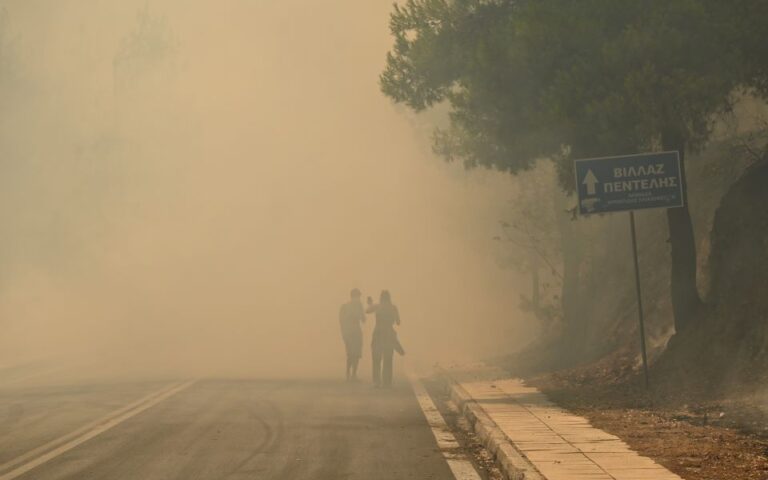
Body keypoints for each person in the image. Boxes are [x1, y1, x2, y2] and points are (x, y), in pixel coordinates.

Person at [366, 290, 401, 388]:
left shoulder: (378, 306)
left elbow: (367, 311)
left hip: (378, 334)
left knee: (376, 358)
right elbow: (398, 322)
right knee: (388, 359)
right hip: (389, 334)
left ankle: (376, 382)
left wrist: (370, 303)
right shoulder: (393, 307)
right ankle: (387, 382)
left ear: (381, 297)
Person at [339, 288, 366, 381]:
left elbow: (363, 320)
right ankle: (348, 373)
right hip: (350, 333)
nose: (358, 298)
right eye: (357, 296)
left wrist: (360, 311)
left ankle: (353, 374)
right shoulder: (345, 307)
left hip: (355, 333)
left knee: (356, 354)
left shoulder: (358, 306)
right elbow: (342, 321)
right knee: (351, 353)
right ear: (353, 296)